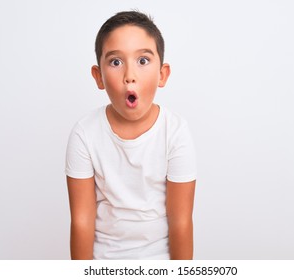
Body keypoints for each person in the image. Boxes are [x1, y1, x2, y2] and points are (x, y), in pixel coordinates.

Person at [65, 10, 197, 260]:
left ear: (162, 74)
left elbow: (181, 221)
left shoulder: (176, 131)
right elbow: (81, 221)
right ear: (98, 76)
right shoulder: (85, 133)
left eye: (143, 61)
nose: (129, 76)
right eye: (116, 62)